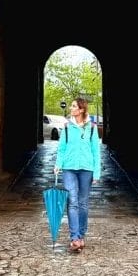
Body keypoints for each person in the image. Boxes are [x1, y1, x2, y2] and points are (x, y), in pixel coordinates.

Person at [54, 97, 101, 252]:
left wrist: (97, 173)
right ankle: (74, 238)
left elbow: (96, 151)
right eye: (71, 106)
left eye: (74, 106)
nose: (71, 108)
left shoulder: (92, 128)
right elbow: (62, 148)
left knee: (83, 204)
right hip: (69, 168)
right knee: (72, 201)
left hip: (86, 169)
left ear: (81, 110)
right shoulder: (67, 127)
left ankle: (81, 235)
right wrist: (58, 164)